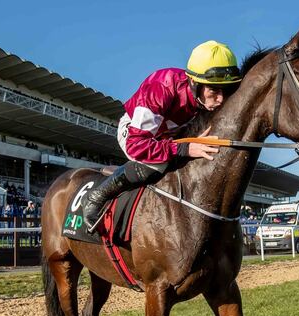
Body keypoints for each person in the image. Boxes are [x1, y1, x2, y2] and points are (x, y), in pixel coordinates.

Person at [83, 41, 243, 231]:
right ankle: (96, 197)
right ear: (194, 82)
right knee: (156, 164)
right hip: (136, 134)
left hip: (169, 136)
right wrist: (184, 148)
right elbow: (137, 145)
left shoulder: (205, 99)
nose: (220, 99)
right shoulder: (161, 86)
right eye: (213, 90)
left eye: (226, 90)